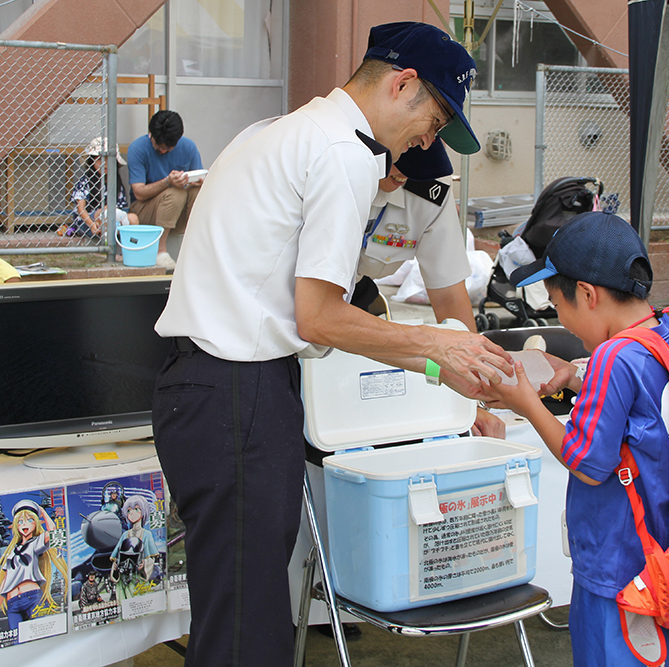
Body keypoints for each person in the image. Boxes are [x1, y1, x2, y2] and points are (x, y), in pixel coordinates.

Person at [152, 21, 511, 667]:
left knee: (235, 612)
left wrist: (437, 354)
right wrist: (435, 346)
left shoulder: (272, 132)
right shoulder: (346, 151)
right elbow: (318, 316)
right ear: (402, 84)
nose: (427, 142)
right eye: (433, 121)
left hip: (202, 390)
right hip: (241, 391)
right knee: (248, 631)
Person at [484, 211, 669, 667]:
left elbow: (587, 463)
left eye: (558, 307)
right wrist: (575, 378)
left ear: (587, 294)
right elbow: (642, 405)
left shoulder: (610, 357)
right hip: (661, 551)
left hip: (614, 561)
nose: (560, 320)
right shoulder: (660, 331)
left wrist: (527, 404)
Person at [359, 137, 502, 437]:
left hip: (357, 295)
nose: (406, 174)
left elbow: (449, 295)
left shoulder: (429, 184)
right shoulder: (336, 165)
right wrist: (433, 348)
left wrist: (474, 402)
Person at [127, 110, 203, 270]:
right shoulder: (138, 148)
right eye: (158, 147)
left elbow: (198, 178)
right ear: (151, 135)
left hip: (175, 212)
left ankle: (195, 246)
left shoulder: (188, 147)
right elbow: (138, 193)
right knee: (175, 192)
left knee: (197, 192)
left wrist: (199, 182)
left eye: (168, 149)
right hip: (144, 212)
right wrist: (167, 182)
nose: (162, 151)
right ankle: (160, 251)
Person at [0, 500, 70, 635]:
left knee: (42, 635)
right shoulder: (11, 550)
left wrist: (42, 512)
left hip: (31, 597)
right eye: (20, 521)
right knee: (16, 640)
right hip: (12, 603)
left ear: (36, 523)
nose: (24, 524)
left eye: (29, 520)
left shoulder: (35, 543)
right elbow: (5, 578)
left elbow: (54, 534)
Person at [68, 137, 138, 241]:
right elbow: (80, 208)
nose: (105, 163)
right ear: (92, 160)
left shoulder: (116, 182)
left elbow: (121, 208)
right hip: (89, 222)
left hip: (114, 218)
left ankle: (128, 249)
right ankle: (107, 246)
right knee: (105, 211)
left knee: (133, 218)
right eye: (100, 158)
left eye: (109, 159)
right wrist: (91, 224)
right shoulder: (86, 181)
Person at [109, 495, 160, 600]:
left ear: (143, 512)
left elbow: (151, 558)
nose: (132, 513)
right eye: (129, 510)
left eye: (137, 509)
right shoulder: (125, 535)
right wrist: (115, 567)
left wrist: (144, 565)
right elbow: (115, 557)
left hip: (138, 579)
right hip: (123, 580)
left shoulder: (146, 534)